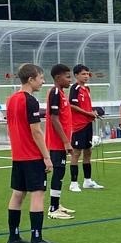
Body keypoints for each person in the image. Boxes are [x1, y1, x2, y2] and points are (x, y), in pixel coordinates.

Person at [5, 63, 56, 243]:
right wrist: (47, 156)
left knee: (18, 194)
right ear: (31, 79)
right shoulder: (30, 100)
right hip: (32, 156)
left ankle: (14, 236)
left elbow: (9, 127)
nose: (43, 82)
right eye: (41, 78)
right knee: (37, 194)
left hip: (18, 156)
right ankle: (36, 238)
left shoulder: (11, 99)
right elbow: (36, 131)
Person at [45, 63, 76, 221]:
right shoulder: (55, 92)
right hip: (57, 143)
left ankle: (57, 204)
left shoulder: (61, 93)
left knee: (60, 173)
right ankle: (53, 208)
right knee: (58, 173)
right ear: (58, 78)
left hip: (60, 142)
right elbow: (54, 119)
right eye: (67, 76)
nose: (70, 80)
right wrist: (65, 142)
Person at [68, 64, 104, 191]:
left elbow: (86, 107)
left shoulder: (87, 89)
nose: (86, 76)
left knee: (88, 151)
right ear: (76, 75)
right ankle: (73, 183)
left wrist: (92, 113)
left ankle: (87, 181)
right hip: (78, 125)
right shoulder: (75, 88)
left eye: (87, 74)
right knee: (76, 152)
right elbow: (72, 106)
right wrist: (88, 113)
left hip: (88, 123)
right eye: (83, 74)